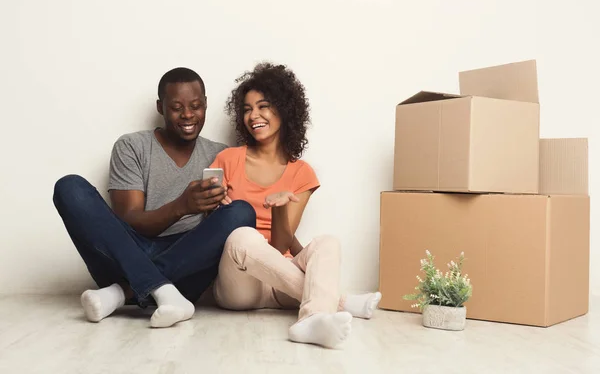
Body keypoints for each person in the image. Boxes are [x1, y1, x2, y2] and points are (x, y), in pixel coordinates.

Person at [52, 67, 256, 328]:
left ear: (206, 104)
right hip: (127, 254)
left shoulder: (221, 154)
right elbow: (129, 221)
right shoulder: (132, 147)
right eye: (176, 107)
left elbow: (222, 232)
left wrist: (215, 211)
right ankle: (162, 292)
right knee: (70, 188)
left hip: (186, 263)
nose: (188, 115)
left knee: (242, 213)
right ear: (160, 107)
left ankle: (121, 293)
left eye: (196, 106)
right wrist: (182, 206)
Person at [209, 63, 382, 348]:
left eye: (263, 106)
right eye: (247, 109)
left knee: (328, 242)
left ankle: (312, 319)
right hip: (239, 285)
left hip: (281, 283)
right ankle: (339, 301)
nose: (254, 116)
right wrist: (214, 207)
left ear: (285, 110)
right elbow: (210, 230)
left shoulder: (302, 173)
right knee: (243, 235)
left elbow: (278, 248)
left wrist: (278, 210)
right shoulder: (227, 159)